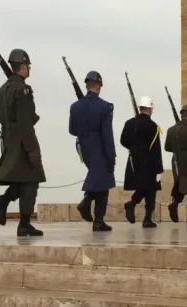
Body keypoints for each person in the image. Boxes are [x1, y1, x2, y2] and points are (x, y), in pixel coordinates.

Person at [0, 48, 45, 237]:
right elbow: (25, 122)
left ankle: (3, 202)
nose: (29, 68)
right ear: (22, 66)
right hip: (23, 141)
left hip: (8, 139)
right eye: (28, 65)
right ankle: (23, 222)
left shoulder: (1, 91)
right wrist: (32, 150)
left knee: (24, 181)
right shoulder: (23, 89)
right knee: (32, 180)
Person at [69, 71, 116, 232]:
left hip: (85, 148)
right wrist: (112, 155)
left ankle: (97, 220)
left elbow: (72, 130)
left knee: (101, 182)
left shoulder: (75, 107)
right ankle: (88, 206)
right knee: (104, 180)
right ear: (98, 86)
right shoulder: (105, 106)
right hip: (100, 147)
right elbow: (107, 133)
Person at [120, 96, 163, 228]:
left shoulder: (129, 123)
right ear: (150, 109)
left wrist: (134, 149)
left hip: (133, 161)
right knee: (150, 188)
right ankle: (140, 212)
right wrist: (159, 169)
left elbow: (123, 141)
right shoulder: (153, 126)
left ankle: (145, 216)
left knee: (145, 187)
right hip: (149, 163)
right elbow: (156, 150)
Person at [164, 104, 187, 226]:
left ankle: (174, 203)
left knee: (180, 185)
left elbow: (167, 147)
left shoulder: (171, 130)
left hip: (176, 161)